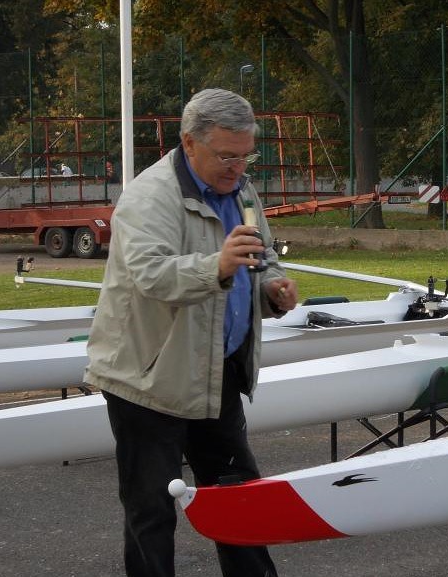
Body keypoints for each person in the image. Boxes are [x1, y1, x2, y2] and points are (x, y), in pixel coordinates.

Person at [84, 88, 298, 577]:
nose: (238, 168)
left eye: (246, 156)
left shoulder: (241, 191)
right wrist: (217, 266)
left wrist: (272, 288)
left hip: (213, 370)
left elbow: (260, 257)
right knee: (152, 510)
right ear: (189, 142)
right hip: (148, 379)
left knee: (236, 497)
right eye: (227, 155)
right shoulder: (147, 196)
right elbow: (152, 276)